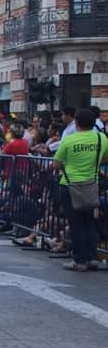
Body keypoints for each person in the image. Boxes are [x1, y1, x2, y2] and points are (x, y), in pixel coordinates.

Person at [53, 108, 108, 271]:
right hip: (92, 184)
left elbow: (56, 164)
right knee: (89, 221)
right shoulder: (101, 138)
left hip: (69, 185)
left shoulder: (69, 140)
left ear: (76, 122)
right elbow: (105, 157)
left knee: (75, 224)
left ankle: (79, 260)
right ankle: (92, 258)